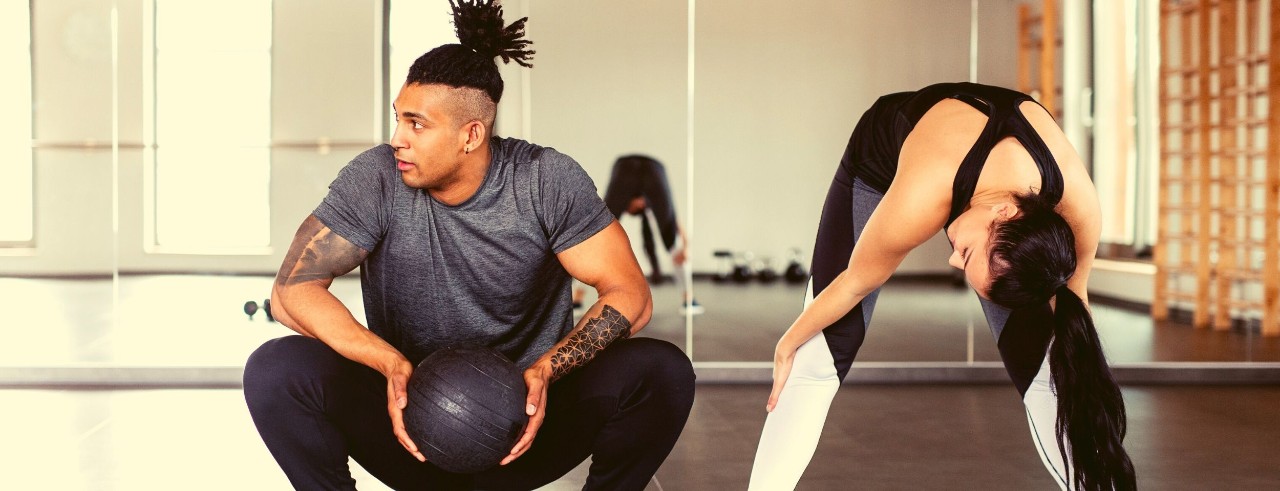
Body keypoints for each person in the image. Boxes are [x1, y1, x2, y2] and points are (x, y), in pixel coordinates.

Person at [242, 2, 695, 490]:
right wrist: (391, 365)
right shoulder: (375, 179)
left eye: (417, 124)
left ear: (471, 134)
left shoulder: (543, 180)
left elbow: (630, 294)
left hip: (524, 428)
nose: (397, 139)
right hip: (408, 428)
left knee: (662, 370)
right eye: (398, 119)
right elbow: (292, 292)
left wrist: (544, 372)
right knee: (276, 368)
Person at [748, 82, 1135, 491]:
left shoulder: (1077, 215)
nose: (951, 259)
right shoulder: (922, 195)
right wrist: (787, 341)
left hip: (975, 184)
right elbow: (853, 284)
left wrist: (1079, 376)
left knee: (1047, 366)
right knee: (817, 355)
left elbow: (1076, 308)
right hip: (882, 163)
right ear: (1004, 212)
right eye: (966, 254)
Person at [574, 155, 701, 315]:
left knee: (597, 241)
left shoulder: (640, 199)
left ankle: (577, 300)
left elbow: (673, 222)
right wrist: (685, 248)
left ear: (640, 203)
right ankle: (689, 300)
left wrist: (686, 249)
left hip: (625, 166)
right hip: (653, 168)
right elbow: (674, 222)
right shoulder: (650, 199)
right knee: (598, 242)